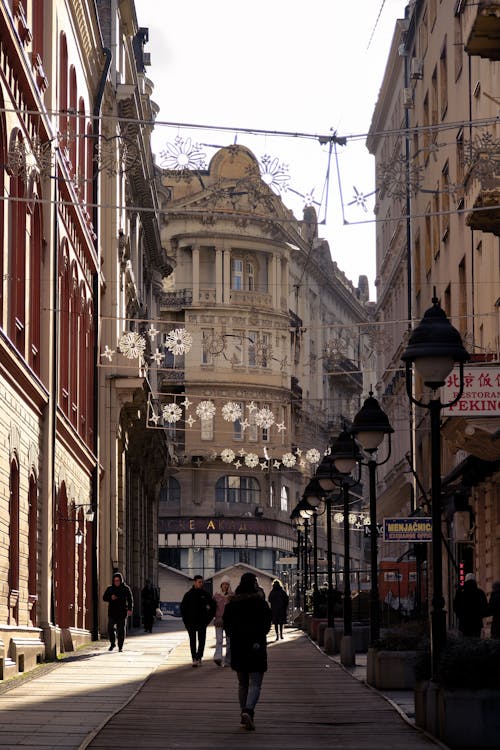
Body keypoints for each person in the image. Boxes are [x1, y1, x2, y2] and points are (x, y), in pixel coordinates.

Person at [223, 572, 272, 732]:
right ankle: (248, 711)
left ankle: (243, 715)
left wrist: (234, 636)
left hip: (238, 647)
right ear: (254, 585)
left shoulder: (232, 604)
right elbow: (266, 627)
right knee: (256, 683)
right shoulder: (261, 604)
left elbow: (227, 626)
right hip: (256, 646)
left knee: (242, 683)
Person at [180, 575, 216, 667]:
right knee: (192, 640)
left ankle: (199, 657)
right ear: (194, 582)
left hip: (202, 622)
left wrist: (208, 620)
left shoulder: (206, 594)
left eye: (202, 582)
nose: (201, 584)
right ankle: (194, 658)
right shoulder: (188, 595)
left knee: (202, 640)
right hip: (190, 622)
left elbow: (213, 608)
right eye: (199, 582)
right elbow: (183, 609)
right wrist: (186, 622)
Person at [102, 571, 133, 652]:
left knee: (121, 630)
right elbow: (104, 598)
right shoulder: (110, 588)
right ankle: (112, 643)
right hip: (112, 612)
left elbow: (130, 600)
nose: (116, 582)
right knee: (110, 628)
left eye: (118, 580)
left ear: (121, 580)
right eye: (115, 580)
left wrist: (130, 609)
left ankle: (120, 646)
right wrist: (110, 598)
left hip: (122, 612)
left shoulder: (126, 588)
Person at [453, 572, 488, 637]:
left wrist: (461, 616)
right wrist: (479, 616)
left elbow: (455, 607)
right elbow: (485, 608)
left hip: (464, 624)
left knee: (466, 644)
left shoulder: (461, 593)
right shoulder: (480, 593)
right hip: (477, 624)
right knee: (476, 643)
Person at [213, 575, 233, 666]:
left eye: (227, 584)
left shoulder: (232, 596)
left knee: (229, 641)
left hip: (229, 621)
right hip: (219, 620)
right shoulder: (216, 595)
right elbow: (213, 607)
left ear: (229, 585)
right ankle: (218, 657)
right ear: (221, 585)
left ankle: (228, 660)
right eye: (223, 584)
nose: (225, 586)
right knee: (219, 640)